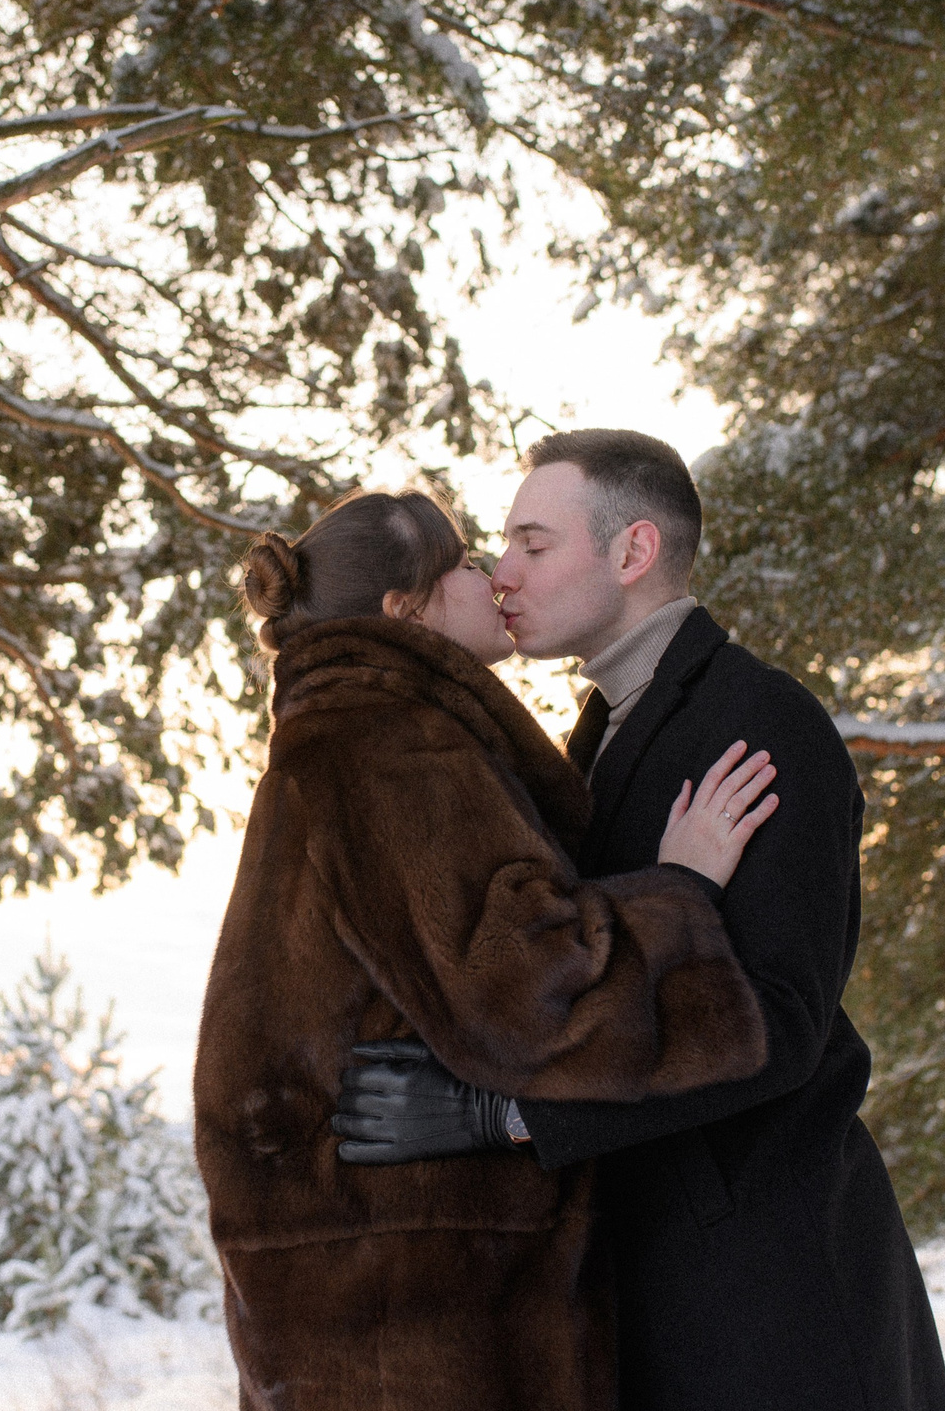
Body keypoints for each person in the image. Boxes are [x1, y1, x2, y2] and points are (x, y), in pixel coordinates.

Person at [331, 432, 945, 1411]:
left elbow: (781, 1023)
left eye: (534, 544)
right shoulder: (598, 730)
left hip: (763, 1293)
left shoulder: (757, 723)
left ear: (631, 552)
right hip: (654, 1283)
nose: (503, 572)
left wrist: (515, 1114)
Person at [193, 487, 782, 1411]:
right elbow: (531, 997)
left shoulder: (339, 734)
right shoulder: (391, 742)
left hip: (369, 1291)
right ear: (407, 610)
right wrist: (684, 890)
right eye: (464, 563)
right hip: (420, 1311)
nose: (493, 578)